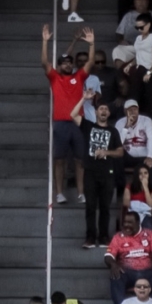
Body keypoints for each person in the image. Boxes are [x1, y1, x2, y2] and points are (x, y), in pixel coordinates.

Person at [42, 24, 92, 205]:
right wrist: (45, 41)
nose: (68, 64)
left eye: (70, 62)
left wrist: (91, 45)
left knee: (80, 160)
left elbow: (90, 62)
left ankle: (80, 193)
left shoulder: (78, 76)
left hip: (78, 123)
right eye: (64, 62)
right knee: (60, 160)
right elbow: (44, 62)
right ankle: (59, 193)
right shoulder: (55, 77)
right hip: (61, 123)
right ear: (59, 65)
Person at [71, 91, 124, 249]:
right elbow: (73, 115)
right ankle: (90, 237)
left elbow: (120, 151)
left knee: (105, 207)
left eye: (106, 110)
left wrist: (106, 152)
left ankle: (103, 237)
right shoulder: (88, 126)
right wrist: (84, 99)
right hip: (90, 172)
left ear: (108, 113)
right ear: (96, 112)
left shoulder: (113, 131)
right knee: (90, 206)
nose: (103, 111)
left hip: (107, 173)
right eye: (100, 109)